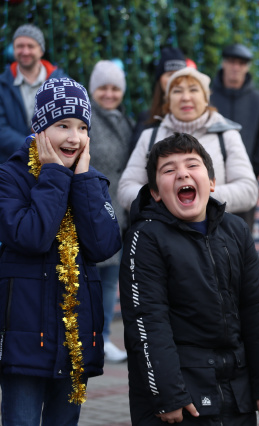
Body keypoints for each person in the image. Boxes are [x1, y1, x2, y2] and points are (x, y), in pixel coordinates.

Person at [119, 132, 259, 424]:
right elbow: (147, 322)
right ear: (155, 192)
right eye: (169, 170)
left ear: (211, 182)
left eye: (192, 165)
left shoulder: (236, 230)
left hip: (238, 391)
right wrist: (168, 395)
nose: (182, 172)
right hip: (182, 396)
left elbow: (255, 308)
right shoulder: (145, 237)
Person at [0, 77, 121, 423]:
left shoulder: (91, 181)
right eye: (62, 125)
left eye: (82, 127)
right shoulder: (11, 177)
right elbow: (31, 236)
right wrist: (54, 175)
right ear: (40, 129)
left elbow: (104, 245)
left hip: (75, 341)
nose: (74, 137)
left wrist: (82, 183)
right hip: (25, 340)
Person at [118, 67, 258, 214]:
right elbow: (125, 189)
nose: (185, 97)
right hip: (160, 233)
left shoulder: (226, 135)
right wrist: (164, 200)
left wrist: (197, 198)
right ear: (168, 100)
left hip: (213, 232)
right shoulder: (149, 137)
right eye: (177, 91)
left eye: (193, 90)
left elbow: (248, 191)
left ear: (206, 98)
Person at [88, 59, 135, 364]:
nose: (109, 93)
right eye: (103, 87)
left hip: (118, 212)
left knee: (108, 281)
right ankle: (85, 337)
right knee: (87, 278)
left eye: (115, 88)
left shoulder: (126, 121)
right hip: (92, 209)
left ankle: (102, 339)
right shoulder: (86, 119)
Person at [210, 43, 259, 229]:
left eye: (241, 63)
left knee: (241, 236)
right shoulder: (207, 96)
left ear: (247, 67)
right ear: (223, 63)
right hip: (210, 183)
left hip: (243, 181)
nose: (236, 67)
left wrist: (252, 171)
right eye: (231, 62)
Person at [0, 24, 66, 163]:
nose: (25, 51)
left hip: (54, 164)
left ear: (41, 50)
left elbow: (70, 123)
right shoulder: (2, 84)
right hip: (11, 165)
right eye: (20, 46)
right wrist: (32, 147)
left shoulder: (62, 83)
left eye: (31, 46)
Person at [130, 46, 187, 150]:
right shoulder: (146, 119)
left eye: (179, 75)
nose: (175, 80)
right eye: (170, 74)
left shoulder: (198, 117)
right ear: (159, 80)